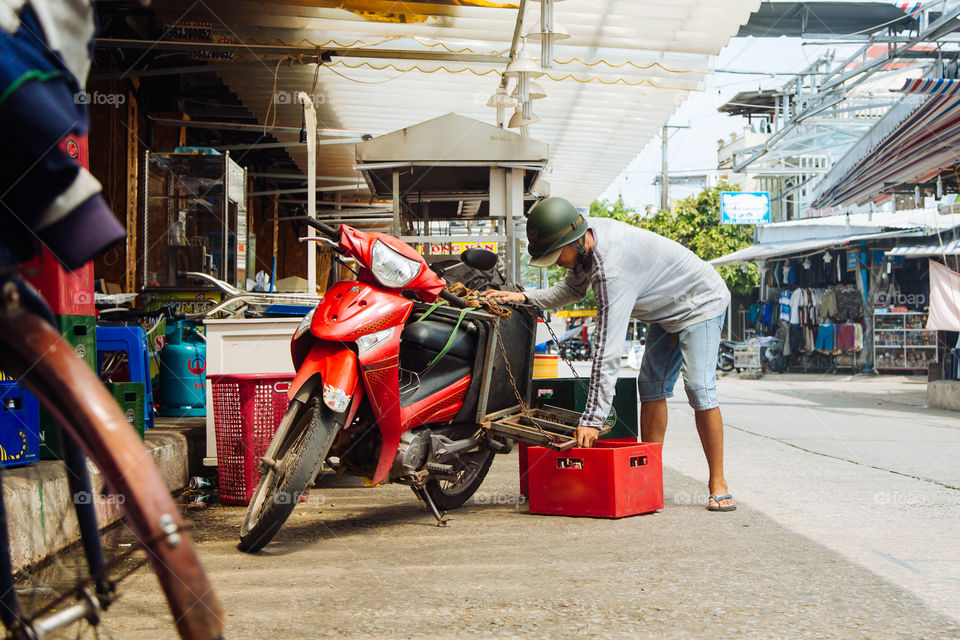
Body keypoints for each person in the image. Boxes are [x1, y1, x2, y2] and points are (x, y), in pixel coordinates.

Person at [482, 197, 736, 512]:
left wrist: (592, 419)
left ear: (575, 241)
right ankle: (649, 474)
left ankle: (718, 483)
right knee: (652, 386)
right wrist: (524, 297)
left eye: (557, 255)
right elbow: (571, 291)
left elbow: (607, 351)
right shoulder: (583, 249)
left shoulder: (609, 269)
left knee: (699, 386)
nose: (557, 262)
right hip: (665, 311)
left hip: (701, 302)